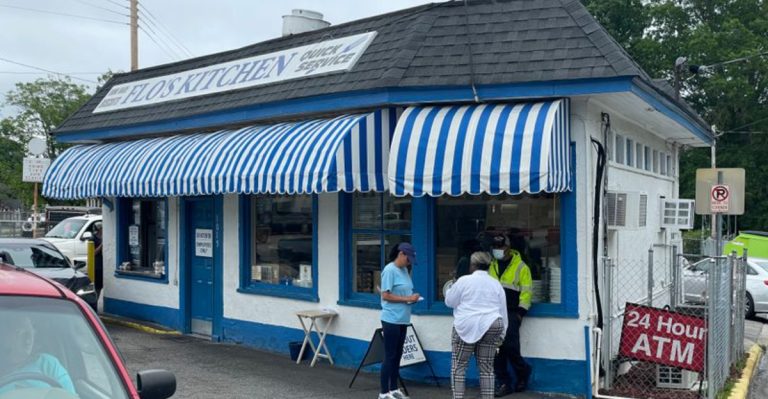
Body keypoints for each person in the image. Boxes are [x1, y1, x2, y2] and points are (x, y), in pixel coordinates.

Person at [445, 251, 508, 399]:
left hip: (467, 324)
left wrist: (451, 287)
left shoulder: (464, 281)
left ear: (472, 265)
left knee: (459, 367)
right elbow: (502, 310)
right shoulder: (496, 283)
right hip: (493, 323)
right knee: (486, 368)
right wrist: (502, 334)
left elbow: (450, 302)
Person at [488, 233, 533, 396]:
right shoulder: (491, 266)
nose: (497, 250)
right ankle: (504, 382)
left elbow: (527, 292)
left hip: (512, 312)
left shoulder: (521, 267)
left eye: (501, 247)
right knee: (496, 349)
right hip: (493, 313)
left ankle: (522, 372)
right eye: (495, 247)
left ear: (508, 248)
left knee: (511, 346)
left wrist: (520, 313)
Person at [379, 242, 420, 399]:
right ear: (401, 254)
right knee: (389, 355)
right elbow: (385, 295)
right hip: (391, 319)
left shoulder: (404, 270)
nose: (409, 262)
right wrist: (407, 298)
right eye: (408, 259)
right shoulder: (390, 270)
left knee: (398, 355)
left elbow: (404, 292)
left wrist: (412, 298)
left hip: (403, 318)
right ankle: (383, 392)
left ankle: (394, 389)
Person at [0, 314, 76, 396]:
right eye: (20, 333)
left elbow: (70, 396)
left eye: (30, 332)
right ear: (4, 335)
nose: (28, 340)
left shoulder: (48, 364)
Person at [92, 223, 104, 295]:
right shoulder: (93, 239)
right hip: (97, 265)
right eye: (102, 229)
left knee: (101, 285)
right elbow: (93, 253)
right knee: (97, 286)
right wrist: (101, 245)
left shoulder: (103, 237)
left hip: (102, 265)